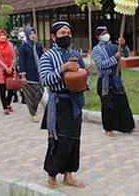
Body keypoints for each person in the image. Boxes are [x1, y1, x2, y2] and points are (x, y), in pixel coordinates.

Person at [40, 21, 88, 189]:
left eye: (68, 32)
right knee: (60, 140)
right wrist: (62, 69)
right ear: (53, 37)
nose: (66, 35)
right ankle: (52, 175)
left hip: (75, 102)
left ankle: (69, 175)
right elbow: (45, 79)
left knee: (74, 139)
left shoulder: (75, 54)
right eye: (62, 33)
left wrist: (83, 81)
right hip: (59, 102)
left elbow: (85, 74)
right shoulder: (47, 56)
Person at [91, 26, 137, 136]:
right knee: (107, 105)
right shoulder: (96, 50)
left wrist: (124, 45)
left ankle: (128, 127)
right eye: (102, 33)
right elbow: (101, 65)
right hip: (105, 81)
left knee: (122, 102)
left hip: (116, 79)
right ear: (98, 37)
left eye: (106, 32)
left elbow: (126, 54)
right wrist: (114, 59)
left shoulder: (115, 47)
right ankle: (108, 129)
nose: (105, 35)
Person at [19, 26, 44, 123]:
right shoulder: (23, 47)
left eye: (34, 33)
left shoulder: (38, 45)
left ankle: (35, 109)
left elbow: (42, 57)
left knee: (40, 93)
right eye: (30, 33)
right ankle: (33, 114)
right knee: (29, 96)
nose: (32, 35)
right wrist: (23, 75)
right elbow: (21, 61)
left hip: (38, 74)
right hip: (28, 75)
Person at [0, 29, 17, 115]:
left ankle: (9, 103)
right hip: (1, 70)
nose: (3, 37)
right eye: (0, 35)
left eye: (4, 35)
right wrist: (5, 68)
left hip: (11, 68)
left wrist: (11, 66)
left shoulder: (10, 44)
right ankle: (4, 107)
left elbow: (14, 56)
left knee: (11, 87)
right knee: (2, 89)